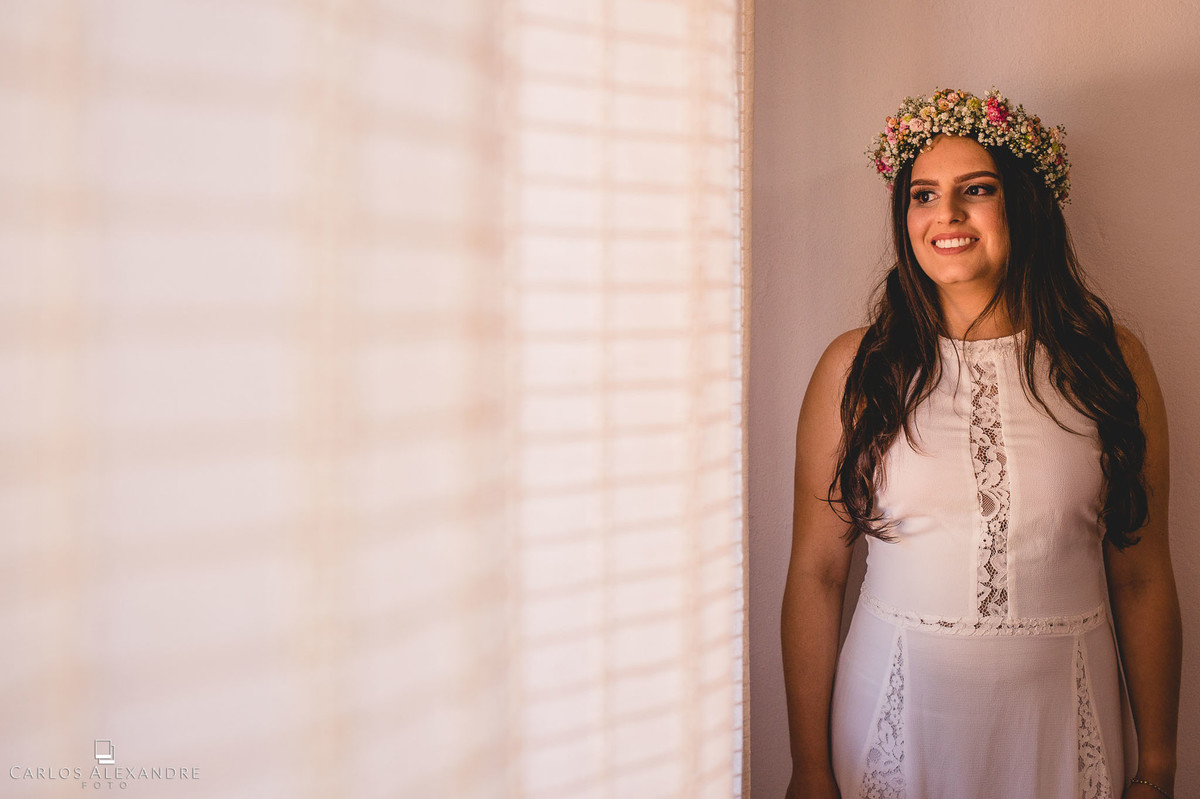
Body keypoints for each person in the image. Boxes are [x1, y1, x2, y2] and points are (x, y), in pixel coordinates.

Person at [781, 88, 1182, 799]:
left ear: (1025, 204)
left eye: (976, 189)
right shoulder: (856, 368)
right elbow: (817, 572)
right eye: (923, 195)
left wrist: (1158, 767)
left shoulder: (1111, 362)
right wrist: (809, 769)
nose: (947, 215)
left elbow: (1142, 575)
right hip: (894, 715)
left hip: (1067, 718)